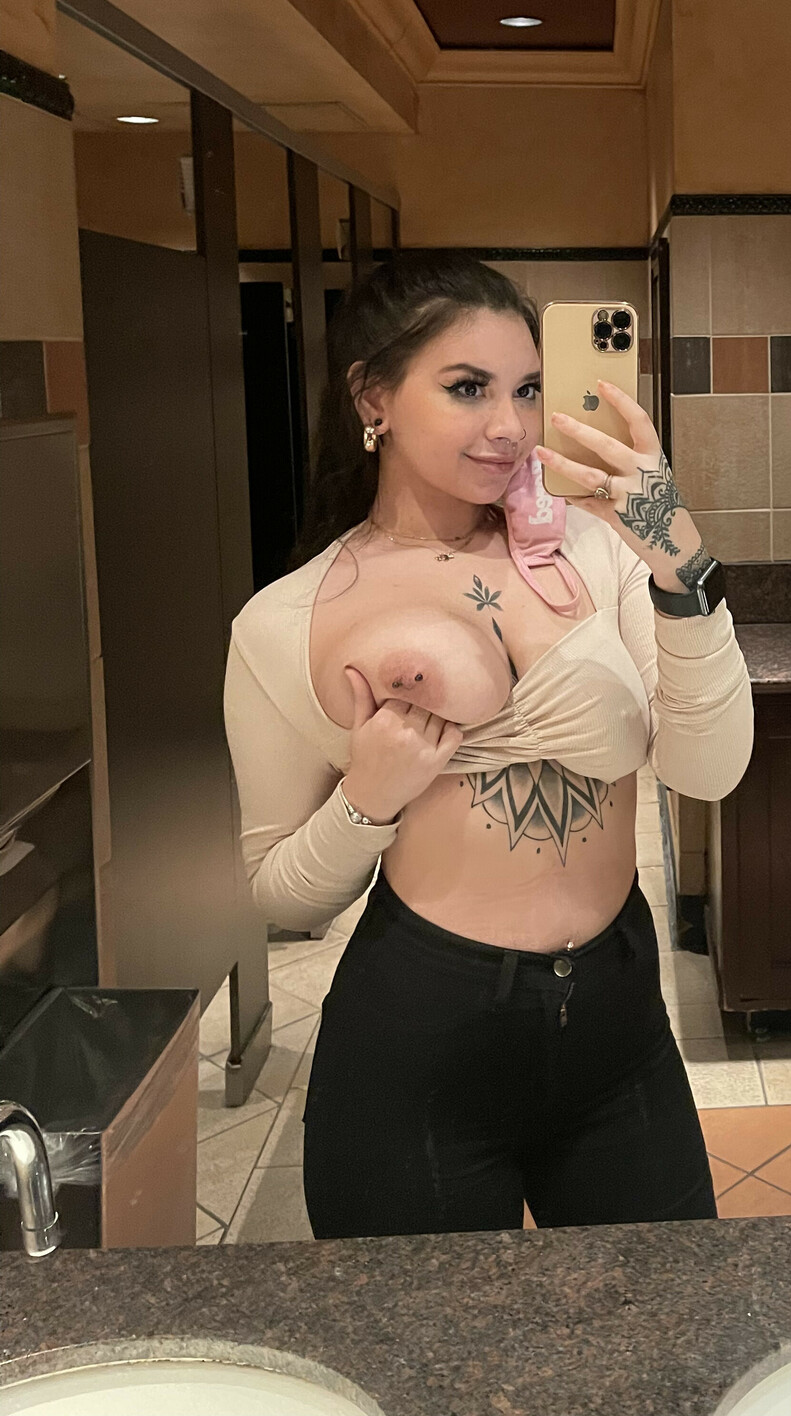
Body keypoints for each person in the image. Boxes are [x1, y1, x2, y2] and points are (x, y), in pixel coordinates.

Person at [222, 250, 753, 1236]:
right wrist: (367, 800)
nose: (510, 425)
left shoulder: (598, 547)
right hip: (420, 1044)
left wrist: (680, 562)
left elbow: (709, 768)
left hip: (618, 1028)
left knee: (668, 1318)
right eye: (468, 388)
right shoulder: (285, 622)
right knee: (429, 1337)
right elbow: (278, 895)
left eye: (527, 388)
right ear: (372, 398)